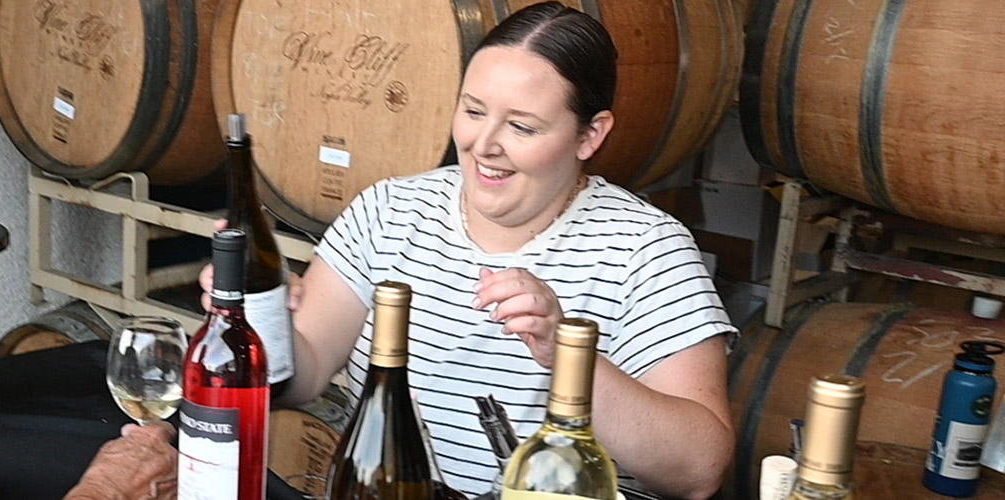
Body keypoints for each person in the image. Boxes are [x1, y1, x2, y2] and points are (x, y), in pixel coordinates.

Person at [74, 3, 737, 499]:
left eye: (523, 125)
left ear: (591, 135)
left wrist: (569, 352)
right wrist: (257, 317)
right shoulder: (392, 210)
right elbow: (300, 376)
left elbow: (702, 468)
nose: (484, 144)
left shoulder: (645, 249)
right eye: (473, 111)